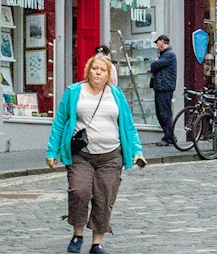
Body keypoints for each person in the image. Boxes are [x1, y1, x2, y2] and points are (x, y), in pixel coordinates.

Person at [45, 54, 146, 254]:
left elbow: (129, 126)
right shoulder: (74, 92)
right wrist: (52, 151)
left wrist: (137, 151)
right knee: (79, 191)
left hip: (111, 156)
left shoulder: (116, 94)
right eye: (94, 68)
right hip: (81, 155)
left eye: (102, 69)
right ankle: (77, 233)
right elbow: (59, 123)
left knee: (104, 197)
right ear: (88, 71)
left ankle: (97, 243)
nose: (97, 72)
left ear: (109, 74)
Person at [150, 34, 177, 146]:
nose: (157, 45)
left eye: (158, 43)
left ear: (162, 41)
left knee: (164, 113)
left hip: (165, 88)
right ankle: (170, 136)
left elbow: (156, 65)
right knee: (161, 113)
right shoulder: (164, 55)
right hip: (161, 87)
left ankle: (168, 138)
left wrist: (153, 64)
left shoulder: (169, 54)